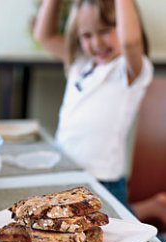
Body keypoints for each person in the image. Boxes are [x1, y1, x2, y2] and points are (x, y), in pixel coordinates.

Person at [33, 0, 153, 206]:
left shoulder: (129, 70)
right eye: (87, 35)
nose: (97, 43)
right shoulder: (79, 64)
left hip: (103, 182)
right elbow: (44, 37)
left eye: (106, 30)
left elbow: (130, 42)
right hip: (66, 174)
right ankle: (147, 209)